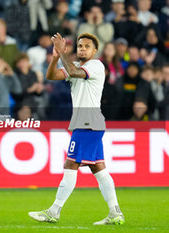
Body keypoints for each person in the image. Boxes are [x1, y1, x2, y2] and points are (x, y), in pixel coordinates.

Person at [29, 33, 124, 225]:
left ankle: (54, 212)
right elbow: (51, 75)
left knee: (70, 165)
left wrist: (63, 53)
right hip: (88, 124)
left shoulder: (96, 66)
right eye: (80, 46)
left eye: (87, 46)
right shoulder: (76, 66)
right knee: (99, 169)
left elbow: (71, 72)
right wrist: (56, 57)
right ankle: (115, 213)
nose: (82, 49)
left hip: (87, 124)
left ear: (94, 51)